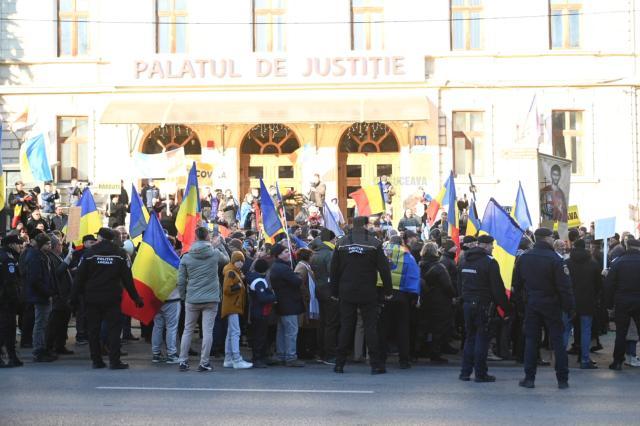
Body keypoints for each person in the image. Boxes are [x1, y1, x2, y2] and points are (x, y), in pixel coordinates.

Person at [72, 228, 144, 370]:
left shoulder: (89, 253)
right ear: (112, 239)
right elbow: (127, 279)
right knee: (114, 330)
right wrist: (136, 298)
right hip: (112, 298)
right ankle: (114, 361)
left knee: (93, 330)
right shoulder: (120, 254)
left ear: (100, 237)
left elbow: (79, 278)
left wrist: (73, 298)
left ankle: (96, 360)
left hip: (92, 297)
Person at [513, 227, 574, 389]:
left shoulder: (524, 258)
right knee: (557, 342)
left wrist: (521, 306)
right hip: (552, 305)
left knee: (532, 341)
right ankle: (562, 379)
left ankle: (529, 378)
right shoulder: (555, 259)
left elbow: (516, 286)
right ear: (547, 239)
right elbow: (564, 288)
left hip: (532, 304)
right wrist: (569, 308)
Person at [331, 215, 393, 374]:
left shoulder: (341, 243)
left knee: (346, 327)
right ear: (365, 225)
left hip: (346, 290)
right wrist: (388, 291)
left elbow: (334, 269)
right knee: (370, 327)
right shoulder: (375, 243)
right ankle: (376, 365)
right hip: (368, 291)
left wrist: (334, 291)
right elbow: (384, 269)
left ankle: (339, 364)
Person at [458, 235, 511, 382]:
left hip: (467, 303)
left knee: (470, 338)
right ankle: (480, 374)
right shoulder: (490, 262)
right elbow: (497, 289)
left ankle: (465, 372)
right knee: (482, 338)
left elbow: (459, 283)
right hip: (483, 305)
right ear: (485, 245)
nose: (493, 247)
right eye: (492, 245)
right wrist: (506, 308)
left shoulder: (464, 260)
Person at [176, 226, 229, 372]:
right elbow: (227, 260)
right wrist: (220, 246)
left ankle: (183, 361)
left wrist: (183, 295)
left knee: (188, 330)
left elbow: (180, 280)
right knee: (207, 331)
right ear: (207, 237)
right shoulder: (214, 253)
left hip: (192, 298)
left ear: (195, 237)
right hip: (211, 298)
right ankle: (204, 362)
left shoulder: (186, 256)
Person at [565, 239, 601, 369]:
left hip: (569, 302)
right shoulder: (593, 263)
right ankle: (585, 360)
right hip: (587, 302)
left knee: (566, 330)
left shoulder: (566, 263)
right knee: (585, 331)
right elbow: (598, 285)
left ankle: (561, 360)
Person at [605, 237, 640, 371]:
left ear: (627, 247)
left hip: (622, 301)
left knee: (620, 333)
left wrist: (608, 304)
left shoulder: (619, 262)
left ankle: (618, 361)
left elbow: (609, 285)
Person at [419, 241, 456, 365]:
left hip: (424, 299)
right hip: (440, 301)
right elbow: (447, 286)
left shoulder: (419, 264)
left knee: (425, 326)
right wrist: (453, 296)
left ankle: (421, 350)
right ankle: (435, 353)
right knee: (438, 328)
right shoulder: (439, 267)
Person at [22, 233, 57, 362]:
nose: (50, 246)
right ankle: (38, 350)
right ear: (42, 244)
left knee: (43, 323)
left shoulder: (43, 256)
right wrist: (47, 292)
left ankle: (42, 348)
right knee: (40, 323)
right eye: (48, 244)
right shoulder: (35, 257)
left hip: (43, 294)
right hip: (40, 295)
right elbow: (35, 279)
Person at [269, 244, 306, 367]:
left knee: (282, 330)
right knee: (291, 331)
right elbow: (297, 281)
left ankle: (281, 355)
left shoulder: (276, 266)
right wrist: (298, 276)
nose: (288, 253)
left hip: (282, 303)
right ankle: (290, 356)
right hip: (289, 303)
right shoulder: (283, 268)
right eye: (285, 251)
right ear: (278, 255)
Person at [310, 228, 339, 365]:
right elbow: (333, 274)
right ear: (331, 240)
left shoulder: (315, 253)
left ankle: (321, 353)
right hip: (329, 290)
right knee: (331, 323)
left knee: (322, 322)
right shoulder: (330, 254)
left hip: (319, 289)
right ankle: (330, 355)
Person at [221, 251, 253, 369]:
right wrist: (239, 286)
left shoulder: (233, 271)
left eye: (242, 261)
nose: (240, 263)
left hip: (232, 305)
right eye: (238, 260)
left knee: (231, 332)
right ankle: (236, 359)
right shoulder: (231, 272)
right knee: (235, 332)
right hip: (232, 306)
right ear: (233, 261)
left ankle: (228, 358)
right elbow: (227, 289)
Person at [45, 235, 75, 356]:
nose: (61, 246)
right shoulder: (51, 257)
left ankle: (60, 345)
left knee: (63, 322)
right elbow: (57, 272)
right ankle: (50, 347)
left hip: (65, 295)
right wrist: (68, 260)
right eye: (59, 244)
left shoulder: (58, 256)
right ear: (54, 246)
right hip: (59, 295)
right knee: (55, 323)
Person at [0, 235, 24, 368]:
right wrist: (16, 299)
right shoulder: (7, 259)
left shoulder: (7, 256)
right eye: (17, 244)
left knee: (7, 328)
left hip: (5, 299)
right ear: (10, 245)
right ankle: (10, 357)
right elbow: (10, 282)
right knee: (6, 329)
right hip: (6, 300)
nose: (20, 246)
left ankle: (12, 357)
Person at [151, 281, 181, 365]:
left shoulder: (154, 267)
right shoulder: (176, 267)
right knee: (171, 327)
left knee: (157, 326)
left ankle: (156, 353)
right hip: (172, 298)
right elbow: (179, 280)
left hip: (157, 297)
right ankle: (171, 354)